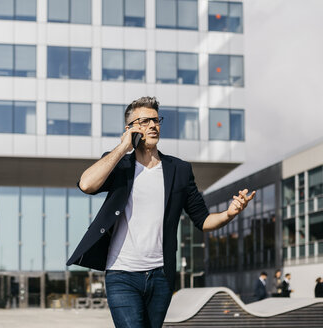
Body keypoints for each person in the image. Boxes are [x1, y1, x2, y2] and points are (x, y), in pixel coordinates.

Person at [66, 97, 255, 328]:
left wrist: (230, 213)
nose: (153, 125)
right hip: (121, 274)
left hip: (161, 276)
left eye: (156, 120)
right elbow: (87, 184)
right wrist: (124, 147)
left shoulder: (179, 170)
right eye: (144, 121)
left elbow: (203, 220)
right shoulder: (120, 165)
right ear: (131, 128)